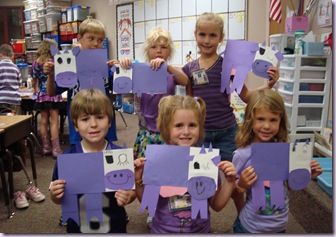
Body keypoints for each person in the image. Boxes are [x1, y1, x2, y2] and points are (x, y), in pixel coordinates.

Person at [182, 12, 280, 162]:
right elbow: (189, 103)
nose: (207, 40)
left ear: (221, 37)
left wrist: (268, 85)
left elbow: (246, 96)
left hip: (226, 132)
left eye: (213, 35)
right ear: (195, 35)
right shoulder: (189, 69)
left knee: (228, 173)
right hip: (200, 132)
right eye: (202, 34)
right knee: (202, 174)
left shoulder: (229, 66)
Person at [134, 95, 236, 233]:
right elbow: (149, 205)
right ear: (166, 128)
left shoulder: (206, 162)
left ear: (200, 127)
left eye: (192, 125)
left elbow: (217, 205)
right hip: (162, 231)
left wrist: (230, 182)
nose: (186, 132)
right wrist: (138, 179)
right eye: (179, 125)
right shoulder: (158, 161)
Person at [231, 89, 323, 233]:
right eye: (260, 119)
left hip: (279, 226)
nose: (267, 126)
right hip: (250, 228)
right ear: (250, 119)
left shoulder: (284, 151)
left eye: (273, 120)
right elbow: (233, 190)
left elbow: (288, 186)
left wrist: (305, 176)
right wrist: (241, 184)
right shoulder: (242, 155)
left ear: (280, 121)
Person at [49, 89, 136, 233]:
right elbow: (58, 198)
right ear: (76, 125)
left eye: (100, 117)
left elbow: (131, 191)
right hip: (78, 227)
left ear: (109, 121)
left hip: (114, 225)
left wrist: (128, 196)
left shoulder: (119, 157)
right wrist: (54, 195)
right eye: (85, 119)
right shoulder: (68, 159)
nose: (93, 124)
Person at [44, 17, 117, 146]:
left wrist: (119, 70)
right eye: (91, 38)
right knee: (81, 160)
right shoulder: (70, 65)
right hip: (79, 128)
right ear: (79, 38)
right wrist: (50, 75)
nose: (96, 44)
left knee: (104, 161)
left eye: (100, 40)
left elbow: (116, 92)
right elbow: (51, 93)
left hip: (104, 126)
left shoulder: (105, 65)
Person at [119, 27, 188, 160]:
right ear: (147, 51)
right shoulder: (140, 71)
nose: (158, 50)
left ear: (169, 51)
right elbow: (124, 84)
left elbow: (185, 81)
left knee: (167, 165)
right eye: (153, 47)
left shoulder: (171, 72)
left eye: (163, 47)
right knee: (144, 167)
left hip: (167, 129)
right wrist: (124, 64)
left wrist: (167, 67)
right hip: (146, 130)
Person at [0, 43, 46, 209]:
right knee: (16, 129)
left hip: (1, 103)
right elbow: (19, 84)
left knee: (9, 130)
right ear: (12, 55)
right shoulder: (14, 67)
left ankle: (15, 177)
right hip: (14, 102)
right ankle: (18, 152)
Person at [31, 39, 63, 157]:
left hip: (41, 95)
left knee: (43, 121)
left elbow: (34, 80)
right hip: (53, 93)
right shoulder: (54, 61)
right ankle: (56, 149)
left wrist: (36, 91)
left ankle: (46, 147)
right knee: (54, 121)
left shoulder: (36, 63)